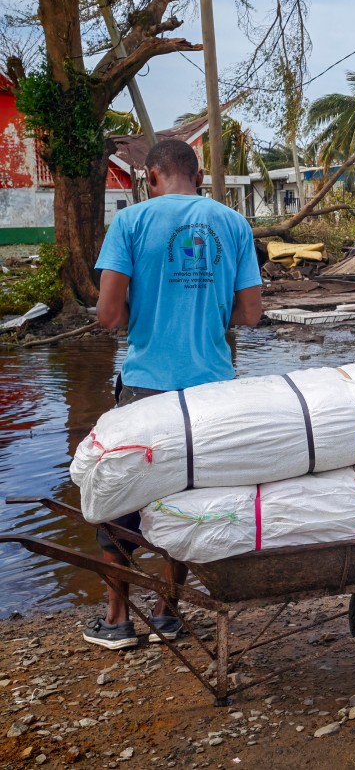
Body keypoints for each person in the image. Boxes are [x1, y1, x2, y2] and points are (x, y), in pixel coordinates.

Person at [87, 139, 263, 650]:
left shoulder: (131, 222)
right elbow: (250, 313)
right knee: (189, 500)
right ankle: (168, 612)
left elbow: (109, 316)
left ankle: (117, 619)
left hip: (146, 389)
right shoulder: (233, 224)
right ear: (200, 176)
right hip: (213, 392)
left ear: (152, 178)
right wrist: (206, 317)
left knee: (116, 500)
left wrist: (145, 313)